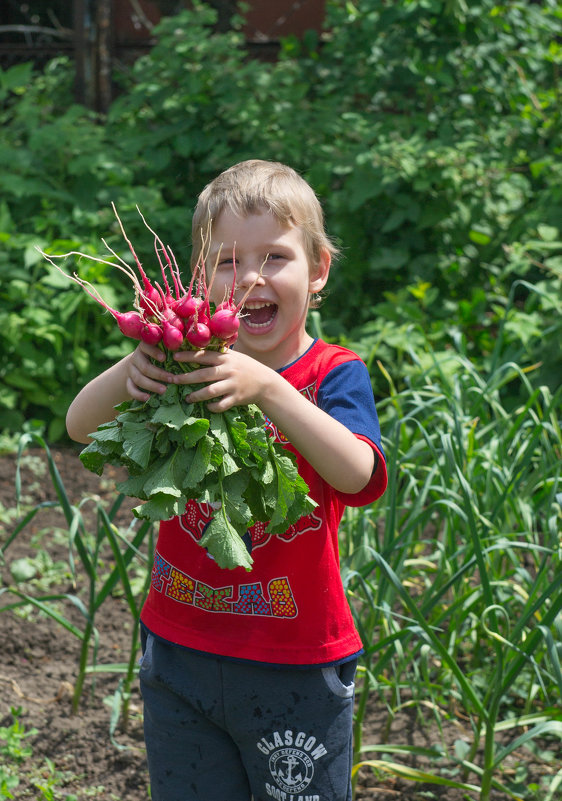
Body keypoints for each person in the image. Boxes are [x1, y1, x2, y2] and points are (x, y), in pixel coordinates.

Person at [66, 159, 387, 801]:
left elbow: (357, 474)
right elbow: (78, 427)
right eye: (227, 262)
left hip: (294, 657)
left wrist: (268, 387)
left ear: (319, 270)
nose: (251, 279)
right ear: (197, 280)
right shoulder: (183, 365)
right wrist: (136, 361)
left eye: (275, 257)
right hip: (179, 648)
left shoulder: (333, 373)